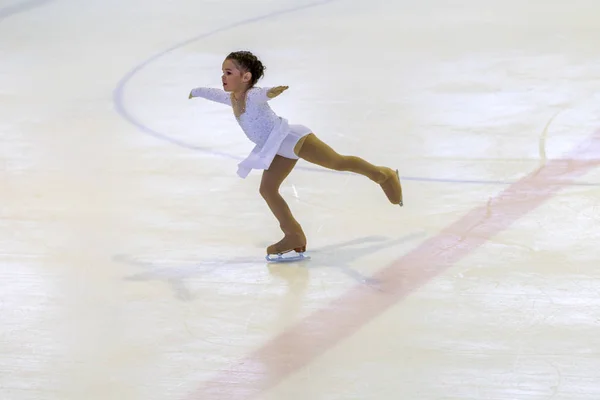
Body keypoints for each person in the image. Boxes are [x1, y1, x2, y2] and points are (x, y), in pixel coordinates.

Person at [188, 50, 402, 257]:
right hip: (277, 148)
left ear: (246, 77)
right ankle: (293, 235)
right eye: (223, 72)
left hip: (293, 139)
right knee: (268, 190)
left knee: (338, 162)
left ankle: (384, 175)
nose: (223, 77)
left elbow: (263, 94)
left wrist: (271, 92)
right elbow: (214, 94)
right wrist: (197, 91)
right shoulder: (233, 98)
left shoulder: (252, 95)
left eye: (228, 72)